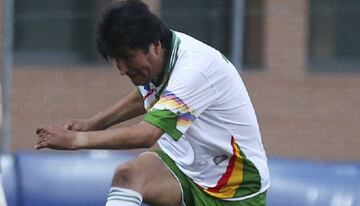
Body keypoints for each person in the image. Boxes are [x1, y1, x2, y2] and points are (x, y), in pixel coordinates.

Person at [35, 0, 270, 205]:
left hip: (236, 191)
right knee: (129, 175)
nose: (122, 69)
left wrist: (77, 140)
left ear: (155, 46)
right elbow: (144, 95)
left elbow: (147, 135)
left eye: (127, 57)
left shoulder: (194, 70)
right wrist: (93, 123)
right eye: (117, 60)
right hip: (185, 170)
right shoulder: (160, 57)